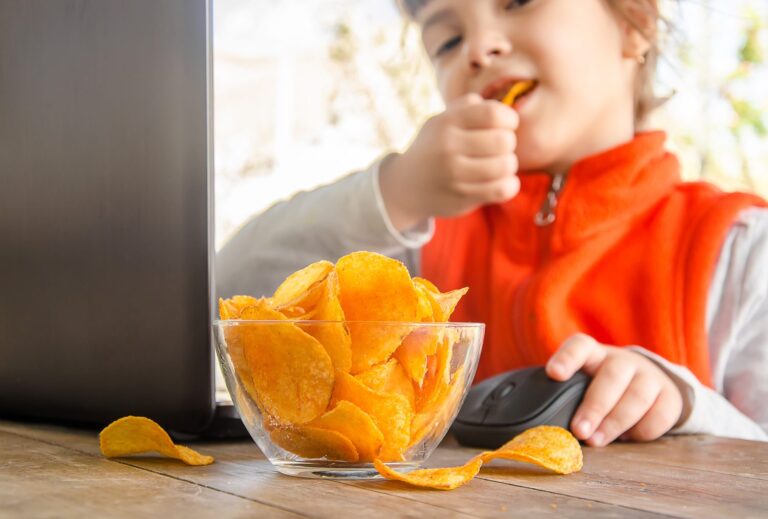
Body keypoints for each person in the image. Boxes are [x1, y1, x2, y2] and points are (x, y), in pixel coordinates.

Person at [217, 0, 768, 445]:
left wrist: (685, 405)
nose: (479, 49)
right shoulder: (414, 255)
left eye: (519, 2)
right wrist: (399, 189)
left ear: (636, 21)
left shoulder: (741, 251)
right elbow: (227, 289)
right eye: (449, 40)